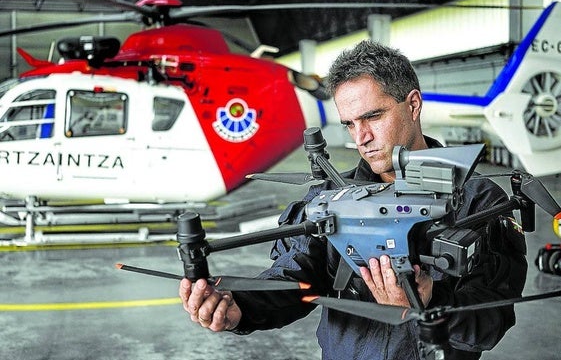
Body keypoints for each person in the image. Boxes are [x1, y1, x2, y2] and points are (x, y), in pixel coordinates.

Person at [179, 40, 528, 360]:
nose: (361, 137)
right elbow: (296, 276)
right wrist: (239, 305)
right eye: (349, 124)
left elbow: (493, 317)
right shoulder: (332, 197)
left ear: (413, 105)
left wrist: (431, 301)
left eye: (372, 117)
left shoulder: (478, 200)